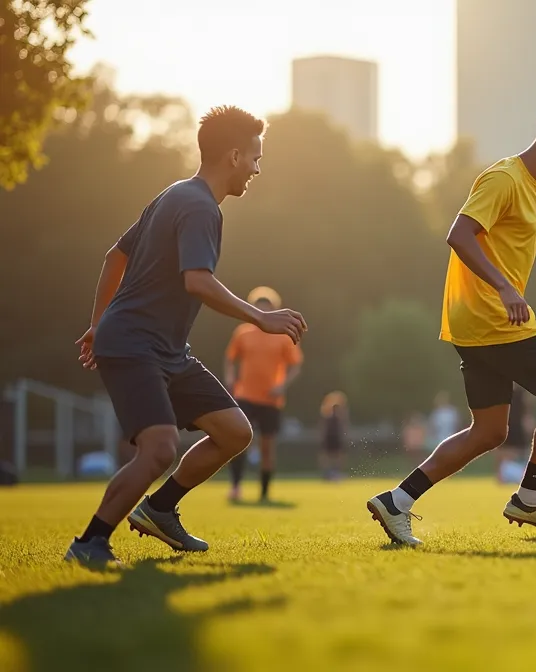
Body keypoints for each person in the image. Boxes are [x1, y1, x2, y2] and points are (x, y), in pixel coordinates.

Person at [366, 97, 536, 545]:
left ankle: (399, 501)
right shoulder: (503, 178)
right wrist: (504, 287)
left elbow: (522, 232)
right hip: (493, 315)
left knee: (490, 431)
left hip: (476, 322)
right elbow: (460, 234)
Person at [67, 106, 307, 565]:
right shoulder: (199, 207)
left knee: (235, 431)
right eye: (255, 158)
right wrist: (261, 319)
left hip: (165, 350)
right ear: (234, 155)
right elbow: (196, 281)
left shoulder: (176, 194)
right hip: (136, 344)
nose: (257, 169)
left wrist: (99, 322)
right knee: (158, 449)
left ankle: (159, 510)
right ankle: (89, 543)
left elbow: (113, 258)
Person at [224, 285, 303, 503]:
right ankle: (236, 486)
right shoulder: (243, 332)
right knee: (239, 441)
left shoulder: (282, 336)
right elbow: (231, 358)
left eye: (267, 307)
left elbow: (295, 365)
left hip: (271, 399)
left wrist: (282, 386)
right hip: (245, 395)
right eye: (259, 307)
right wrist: (230, 378)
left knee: (267, 446)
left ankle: (264, 493)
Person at [320, 391, 348, 481]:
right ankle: (328, 473)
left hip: (336, 436)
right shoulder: (327, 413)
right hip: (329, 436)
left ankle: (336, 472)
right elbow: (323, 426)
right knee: (327, 455)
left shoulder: (340, 415)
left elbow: (344, 425)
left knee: (338, 455)